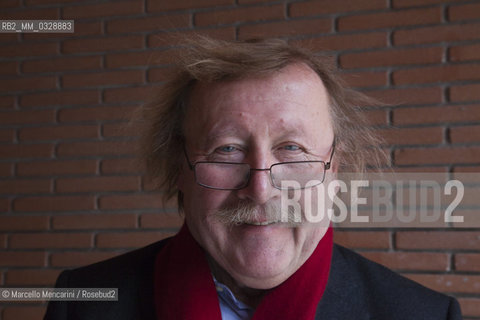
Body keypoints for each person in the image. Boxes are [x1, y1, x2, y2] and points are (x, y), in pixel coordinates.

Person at [44, 37, 462, 320]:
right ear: (179, 170)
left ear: (333, 171)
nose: (260, 189)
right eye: (227, 150)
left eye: (293, 149)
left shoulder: (423, 314)